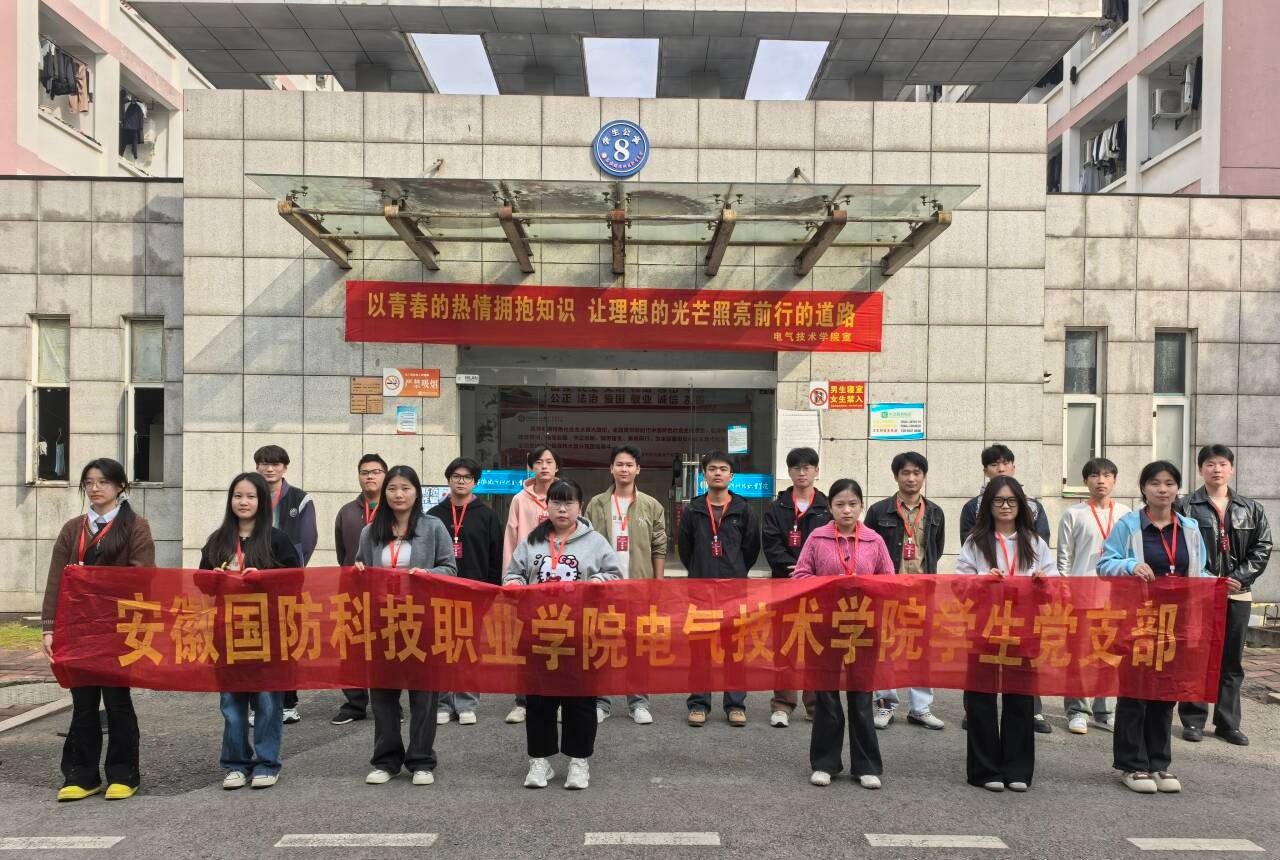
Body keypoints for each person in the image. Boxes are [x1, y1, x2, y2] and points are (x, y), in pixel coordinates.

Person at [41, 459, 155, 802]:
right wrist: (49, 628)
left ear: (120, 486)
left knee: (117, 701)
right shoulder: (72, 529)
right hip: (77, 629)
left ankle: (124, 774)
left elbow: (142, 579)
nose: (95, 488)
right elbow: (56, 581)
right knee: (83, 703)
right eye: (89, 482)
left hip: (117, 630)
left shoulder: (136, 527)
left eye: (103, 482)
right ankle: (81, 775)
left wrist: (93, 580)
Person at [1098, 460, 1209, 794]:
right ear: (1144, 488)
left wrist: (1218, 584)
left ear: (1178, 489)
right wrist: (1130, 565)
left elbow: (1199, 571)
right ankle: (1132, 765)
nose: (1163, 489)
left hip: (1177, 623)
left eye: (1170, 483)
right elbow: (1104, 564)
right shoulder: (1128, 525)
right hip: (1137, 621)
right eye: (1155, 483)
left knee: (1165, 693)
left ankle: (1159, 763)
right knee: (1135, 693)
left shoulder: (1190, 528)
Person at [504, 479, 622, 790]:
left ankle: (578, 761)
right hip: (539, 633)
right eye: (556, 502)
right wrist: (515, 583)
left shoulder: (595, 542)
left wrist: (598, 581)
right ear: (547, 506)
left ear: (579, 507)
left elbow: (615, 575)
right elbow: (513, 573)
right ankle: (539, 761)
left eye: (569, 502)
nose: (562, 508)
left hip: (580, 633)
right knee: (539, 699)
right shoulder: (531, 541)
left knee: (580, 699)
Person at [355, 465, 457, 786]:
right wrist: (358, 571)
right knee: (382, 694)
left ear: (416, 492)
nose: (398, 495)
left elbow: (450, 568)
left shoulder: (433, 526)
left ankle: (422, 760)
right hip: (382, 621)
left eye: (405, 488)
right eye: (392, 489)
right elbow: (359, 569)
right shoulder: (371, 531)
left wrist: (430, 575)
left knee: (424, 694)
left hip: (421, 619)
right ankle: (386, 760)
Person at [199, 472, 302, 791]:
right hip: (227, 633)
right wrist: (214, 578)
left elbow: (295, 580)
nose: (243, 502)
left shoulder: (276, 539)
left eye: (250, 496)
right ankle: (235, 764)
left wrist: (265, 577)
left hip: (267, 632)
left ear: (262, 501)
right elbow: (201, 581)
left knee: (267, 702)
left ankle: (267, 763)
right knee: (231, 703)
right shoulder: (218, 540)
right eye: (237, 496)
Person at [956, 477, 1056, 793]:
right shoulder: (976, 542)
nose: (1005, 506)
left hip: (1023, 629)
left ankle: (1017, 769)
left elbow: (1055, 586)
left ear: (1021, 506)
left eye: (1011, 501)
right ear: (988, 505)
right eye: (998, 500)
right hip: (984, 627)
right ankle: (985, 770)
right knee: (981, 699)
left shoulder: (1035, 542)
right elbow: (959, 586)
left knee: (1020, 699)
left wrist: (1043, 581)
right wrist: (981, 581)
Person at [793, 479, 895, 789]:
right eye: (840, 504)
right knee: (826, 696)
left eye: (852, 504)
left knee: (861, 697)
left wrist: (864, 585)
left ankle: (866, 766)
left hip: (863, 627)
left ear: (861, 506)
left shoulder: (874, 540)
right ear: (830, 507)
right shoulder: (817, 537)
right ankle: (825, 763)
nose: (846, 510)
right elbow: (800, 575)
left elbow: (889, 581)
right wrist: (829, 584)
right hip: (825, 626)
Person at [1176, 445, 1271, 747]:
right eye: (1209, 464)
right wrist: (1204, 579)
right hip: (1199, 595)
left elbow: (1262, 547)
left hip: (1237, 593)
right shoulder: (1185, 506)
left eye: (1221, 464)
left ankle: (1228, 724)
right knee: (1196, 656)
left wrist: (1238, 578)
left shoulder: (1251, 508)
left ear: (1231, 469)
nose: (1216, 469)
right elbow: (1178, 547)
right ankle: (1193, 720)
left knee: (1231, 660)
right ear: (1200, 469)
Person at [584, 444, 667, 725]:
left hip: (639, 586)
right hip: (603, 587)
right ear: (611, 468)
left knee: (638, 645)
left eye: (629, 464)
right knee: (602, 644)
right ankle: (601, 701)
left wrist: (658, 583)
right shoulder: (596, 504)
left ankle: (639, 702)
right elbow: (586, 545)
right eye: (619, 464)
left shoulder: (651, 505)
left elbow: (659, 546)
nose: (624, 469)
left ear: (638, 469)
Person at [678, 450, 761, 727]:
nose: (717, 473)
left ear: (731, 476)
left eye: (723, 469)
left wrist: (735, 570)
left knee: (734, 649)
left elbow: (750, 549)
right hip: (700, 590)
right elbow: (685, 549)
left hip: (734, 591)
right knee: (700, 649)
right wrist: (700, 570)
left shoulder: (743, 509)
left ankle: (735, 704)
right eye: (712, 469)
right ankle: (698, 704)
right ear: (704, 474)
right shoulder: (693, 509)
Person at [864, 451, 946, 731]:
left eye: (916, 473)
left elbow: (936, 549)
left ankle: (920, 708)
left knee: (920, 648)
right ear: (896, 476)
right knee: (886, 646)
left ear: (924, 476)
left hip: (922, 590)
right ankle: (885, 703)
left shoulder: (935, 512)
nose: (911, 478)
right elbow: (869, 549)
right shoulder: (879, 511)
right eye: (905, 473)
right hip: (888, 590)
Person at [1055, 457, 1131, 735]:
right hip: (1082, 596)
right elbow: (1064, 557)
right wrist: (1065, 591)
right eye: (1095, 475)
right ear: (1085, 481)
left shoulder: (1126, 514)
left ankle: (1105, 710)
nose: (1101, 481)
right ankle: (1077, 710)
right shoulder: (1073, 514)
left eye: (1107, 475)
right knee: (1079, 655)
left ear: (1115, 481)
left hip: (1116, 597)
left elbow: (1131, 555)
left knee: (1110, 656)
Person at [427, 457, 504, 726]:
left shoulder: (487, 515)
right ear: (448, 479)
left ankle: (467, 702)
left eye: (467, 477)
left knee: (468, 648)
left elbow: (495, 556)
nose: (461, 481)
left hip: (475, 591)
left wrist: (492, 589)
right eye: (456, 476)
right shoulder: (433, 515)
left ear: (475, 482)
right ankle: (443, 703)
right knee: (441, 648)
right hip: (440, 591)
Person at [761, 446, 830, 728]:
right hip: (784, 584)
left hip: (818, 586)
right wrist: (795, 568)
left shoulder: (827, 507)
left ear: (816, 471)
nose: (802, 473)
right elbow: (770, 543)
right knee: (785, 645)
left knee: (817, 645)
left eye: (807, 467)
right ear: (789, 472)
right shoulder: (777, 508)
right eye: (796, 468)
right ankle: (782, 704)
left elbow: (831, 543)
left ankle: (814, 705)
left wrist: (810, 571)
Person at [253, 444, 316, 725]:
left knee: (287, 641)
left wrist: (286, 570)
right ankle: (258, 705)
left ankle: (288, 703)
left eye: (276, 464)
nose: (270, 468)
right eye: (264, 463)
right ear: (257, 466)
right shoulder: (248, 495)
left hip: (286, 583)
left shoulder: (300, 498)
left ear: (285, 468)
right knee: (256, 642)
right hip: (253, 583)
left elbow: (308, 540)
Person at [502, 445, 560, 725]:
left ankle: (559, 700)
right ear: (531, 467)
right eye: (538, 462)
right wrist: (509, 579)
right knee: (526, 643)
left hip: (561, 580)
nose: (544, 466)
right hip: (527, 581)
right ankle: (522, 702)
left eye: (549, 462)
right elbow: (510, 538)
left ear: (557, 467)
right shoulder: (519, 500)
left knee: (560, 640)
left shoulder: (565, 495)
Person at [330, 453, 387, 726]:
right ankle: (354, 703)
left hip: (386, 592)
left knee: (385, 646)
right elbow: (342, 552)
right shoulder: (347, 512)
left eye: (375, 472)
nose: (370, 477)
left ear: (385, 475)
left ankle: (387, 703)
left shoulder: (395, 510)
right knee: (351, 646)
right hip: (351, 590)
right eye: (365, 472)